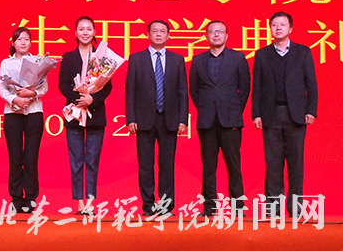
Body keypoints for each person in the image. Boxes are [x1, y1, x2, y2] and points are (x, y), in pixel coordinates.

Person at [252, 11, 318, 217]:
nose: (278, 28)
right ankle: (273, 209)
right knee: (273, 165)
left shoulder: (303, 52)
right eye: (274, 24)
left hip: (296, 115)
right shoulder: (262, 54)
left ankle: (295, 209)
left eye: (282, 24)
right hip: (270, 114)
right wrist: (256, 114)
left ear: (290, 28)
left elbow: (311, 84)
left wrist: (311, 110)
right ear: (270, 29)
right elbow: (257, 87)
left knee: (296, 165)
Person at [125, 20, 188, 216]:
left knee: (167, 165)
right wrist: (131, 117)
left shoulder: (177, 60)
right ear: (148, 34)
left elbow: (182, 91)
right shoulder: (137, 59)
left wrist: (183, 119)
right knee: (145, 165)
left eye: (162, 31)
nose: (159, 34)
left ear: (168, 35)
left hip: (169, 119)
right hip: (144, 119)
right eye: (155, 31)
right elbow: (130, 90)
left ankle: (166, 206)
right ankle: (148, 205)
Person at [189, 20, 250, 216]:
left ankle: (238, 207)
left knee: (234, 165)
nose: (216, 34)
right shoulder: (198, 60)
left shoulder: (238, 58)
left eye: (220, 31)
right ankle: (209, 207)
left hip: (230, 120)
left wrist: (234, 109)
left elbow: (245, 88)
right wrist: (205, 107)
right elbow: (194, 90)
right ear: (206, 36)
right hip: (207, 120)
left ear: (226, 35)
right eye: (212, 31)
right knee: (208, 166)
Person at [58, 16, 112, 215]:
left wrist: (92, 99)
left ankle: (90, 202)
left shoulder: (101, 57)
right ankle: (79, 202)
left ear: (94, 32)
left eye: (89, 29)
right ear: (75, 32)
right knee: (76, 161)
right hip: (74, 114)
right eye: (81, 29)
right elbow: (63, 84)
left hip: (95, 115)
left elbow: (108, 87)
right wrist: (80, 98)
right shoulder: (68, 57)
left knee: (92, 160)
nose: (85, 32)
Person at [0, 27, 47, 213]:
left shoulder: (38, 61)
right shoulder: (6, 63)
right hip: (13, 113)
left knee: (31, 157)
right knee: (15, 157)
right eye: (19, 39)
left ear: (31, 42)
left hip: (34, 112)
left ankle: (31, 198)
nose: (23, 42)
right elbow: (2, 88)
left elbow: (44, 88)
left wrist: (32, 93)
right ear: (13, 43)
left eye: (26, 39)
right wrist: (15, 99)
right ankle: (16, 198)